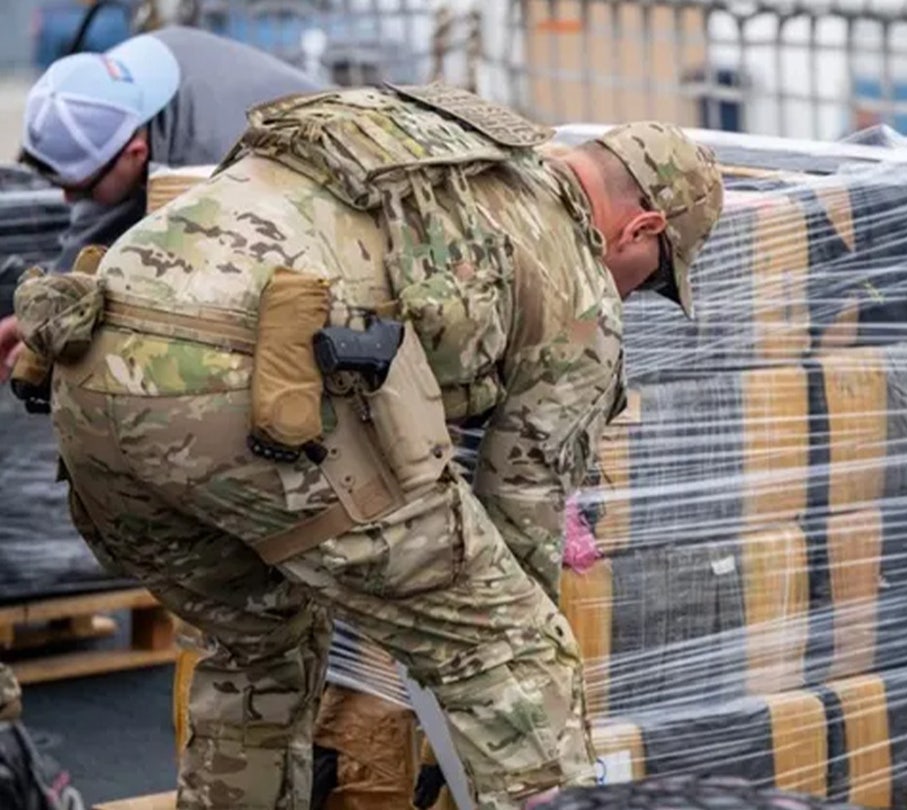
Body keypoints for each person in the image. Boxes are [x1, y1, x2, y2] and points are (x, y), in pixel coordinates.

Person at [13, 82, 722, 810]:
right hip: (245, 397)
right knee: (518, 656)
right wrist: (499, 643)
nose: (635, 296)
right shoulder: (577, 277)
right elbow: (523, 510)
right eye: (656, 279)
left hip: (86, 367)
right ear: (641, 227)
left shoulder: (437, 149)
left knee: (258, 650)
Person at [0, 25, 325, 374]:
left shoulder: (206, 165)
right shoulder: (121, 82)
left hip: (323, 205)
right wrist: (35, 316)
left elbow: (170, 302)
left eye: (80, 189)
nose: (66, 199)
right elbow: (98, 220)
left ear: (136, 153)